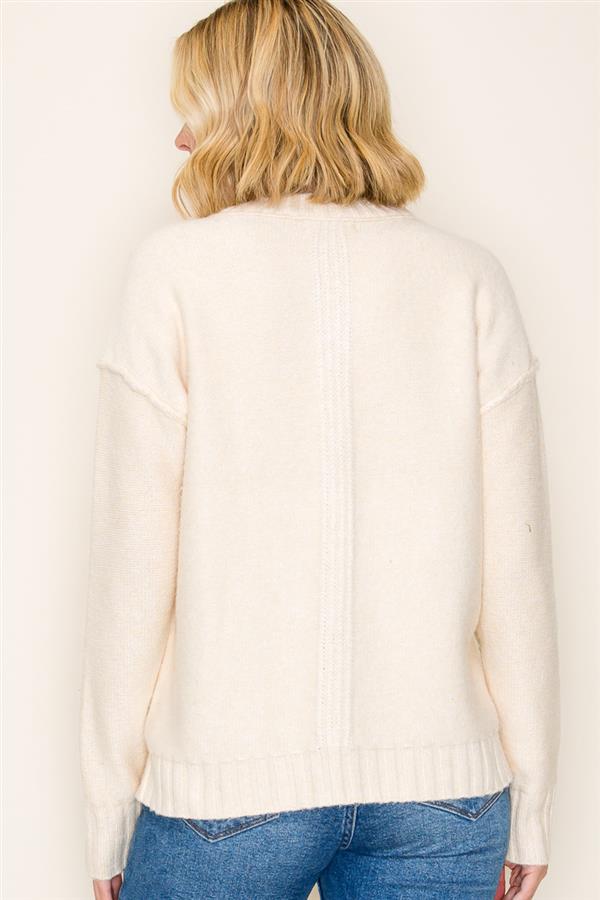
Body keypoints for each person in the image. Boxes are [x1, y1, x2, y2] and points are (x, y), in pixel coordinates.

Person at [78, 1, 561, 898]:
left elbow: (129, 574)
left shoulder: (175, 274)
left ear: (246, 112)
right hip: (443, 797)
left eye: (195, 108)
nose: (180, 139)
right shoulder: (468, 278)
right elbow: (519, 572)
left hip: (228, 792)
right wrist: (532, 798)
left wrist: (109, 806)